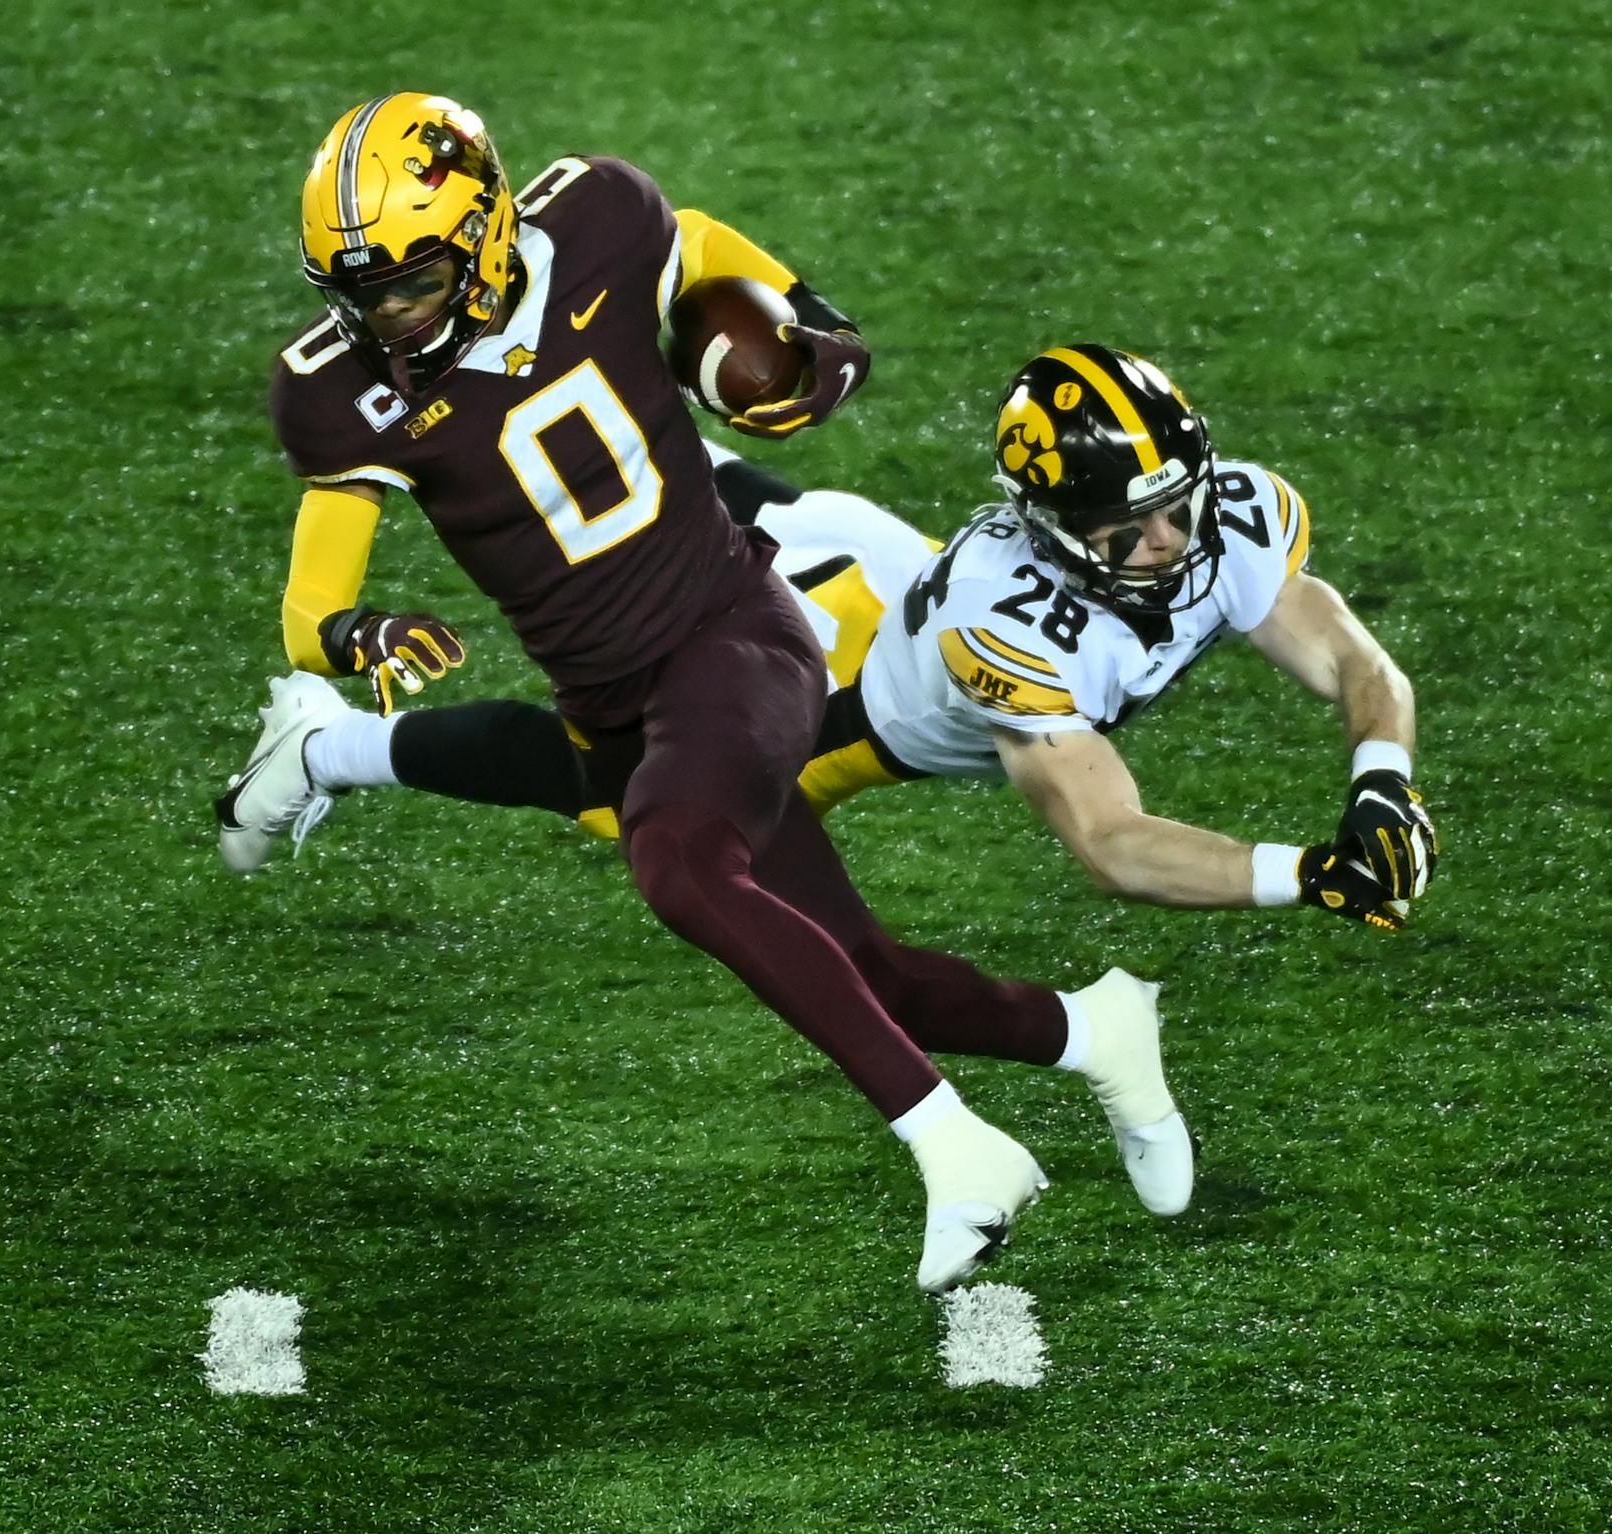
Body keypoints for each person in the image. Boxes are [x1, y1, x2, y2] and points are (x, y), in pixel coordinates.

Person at [214, 95, 1196, 1294]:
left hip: (736, 634)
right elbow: (310, 609)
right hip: (613, 697)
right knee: (858, 973)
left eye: (406, 287)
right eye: (356, 296)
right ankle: (1097, 1031)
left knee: (677, 861)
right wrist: (357, 629)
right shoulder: (335, 389)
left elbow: (703, 245)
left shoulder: (600, 220)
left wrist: (806, 315)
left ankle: (956, 1148)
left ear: (479, 235)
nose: (381, 318)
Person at [278, 343, 1440, 930]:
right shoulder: (1014, 631)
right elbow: (1114, 839)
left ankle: (598, 428)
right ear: (1053, 524)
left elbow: (1353, 660)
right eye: (1131, 526)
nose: (1173, 539)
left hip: (867, 559)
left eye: (1180, 503)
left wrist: (1380, 785)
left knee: (706, 496)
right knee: (611, 793)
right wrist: (1308, 875)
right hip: (838, 689)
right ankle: (328, 742)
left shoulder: (1219, 515)